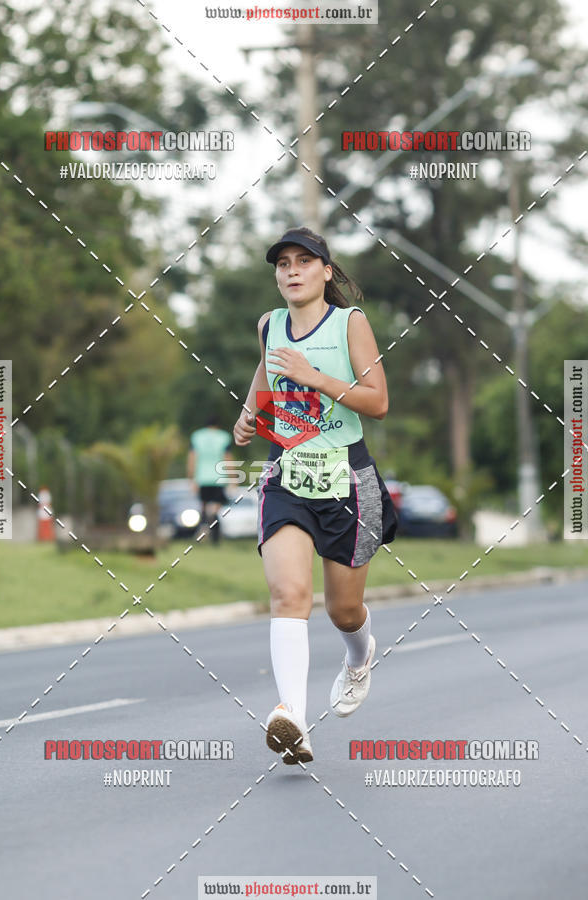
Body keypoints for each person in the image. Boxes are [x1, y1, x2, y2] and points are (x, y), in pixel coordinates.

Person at [233, 226, 398, 765]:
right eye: (283, 263)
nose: (293, 271)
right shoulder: (269, 325)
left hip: (348, 478)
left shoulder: (350, 323)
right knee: (288, 594)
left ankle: (359, 655)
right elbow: (267, 369)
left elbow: (377, 402)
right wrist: (250, 411)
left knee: (344, 610)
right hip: (288, 474)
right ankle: (294, 721)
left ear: (327, 272)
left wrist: (316, 376)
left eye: (305, 261)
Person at [188, 416, 232, 544]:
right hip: (219, 477)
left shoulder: (197, 436)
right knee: (215, 509)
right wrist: (233, 478)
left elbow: (192, 458)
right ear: (218, 425)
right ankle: (214, 537)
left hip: (202, 477)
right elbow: (227, 458)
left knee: (204, 507)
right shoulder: (224, 437)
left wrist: (191, 478)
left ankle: (203, 528)